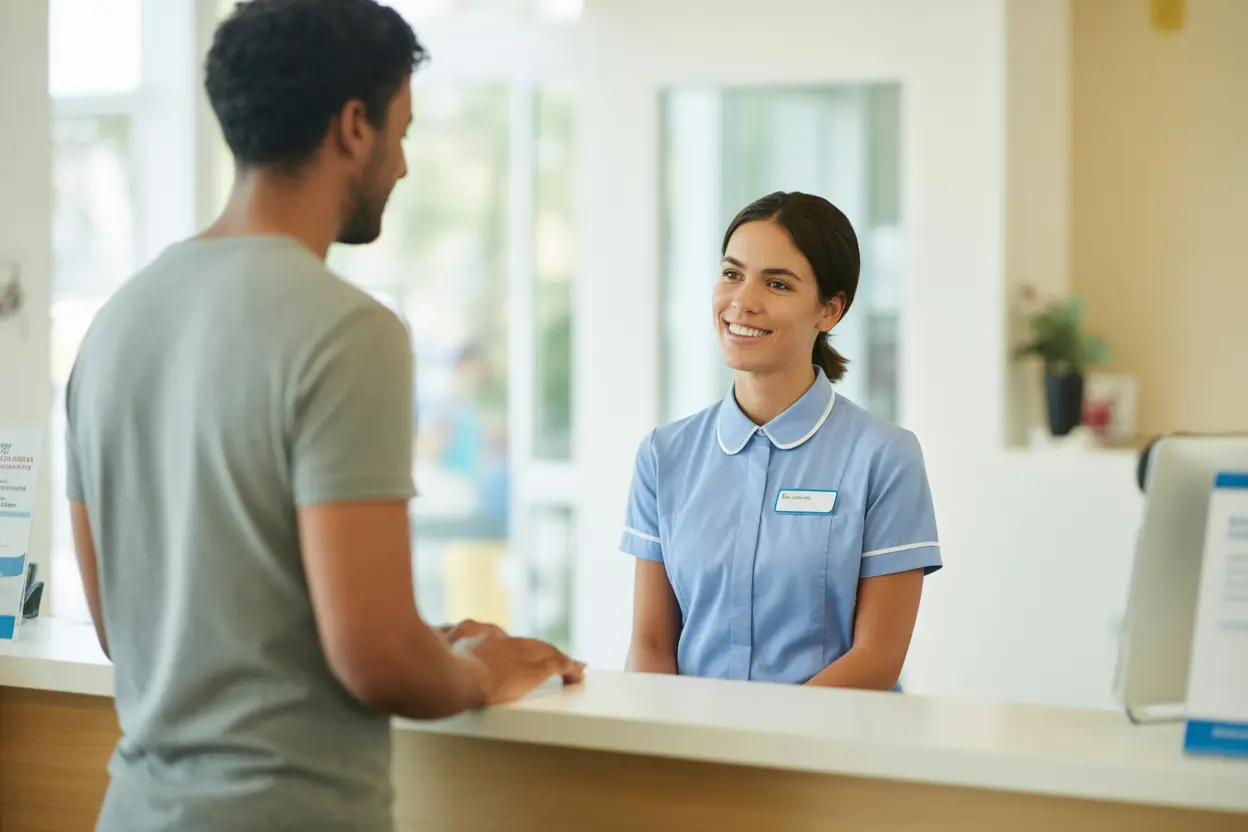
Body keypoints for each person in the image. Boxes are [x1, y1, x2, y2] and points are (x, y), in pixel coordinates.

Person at [64, 2, 582, 831]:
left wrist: (417, 637)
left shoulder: (116, 323)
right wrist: (481, 669)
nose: (405, 165)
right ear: (352, 127)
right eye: (401, 130)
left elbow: (130, 630)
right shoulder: (349, 331)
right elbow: (375, 660)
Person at [622, 191, 941, 690]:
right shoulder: (665, 456)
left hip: (827, 753)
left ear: (830, 310)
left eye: (777, 283)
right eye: (732, 274)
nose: (742, 302)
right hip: (692, 756)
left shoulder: (883, 457)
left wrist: (757, 750)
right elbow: (651, 646)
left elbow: (878, 658)